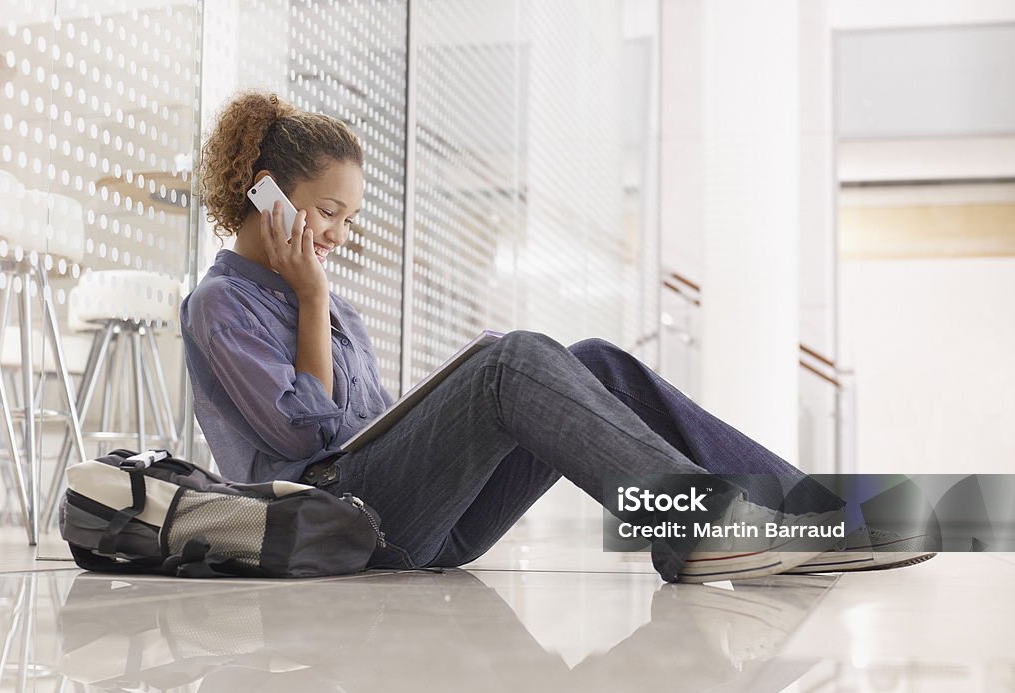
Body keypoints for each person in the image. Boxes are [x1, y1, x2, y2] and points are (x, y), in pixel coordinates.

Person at [181, 91, 933, 584]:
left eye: (348, 219)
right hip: (340, 524)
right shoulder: (221, 303)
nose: (339, 236)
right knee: (510, 362)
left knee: (596, 362)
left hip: (422, 525)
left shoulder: (326, 299)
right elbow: (307, 439)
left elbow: (370, 424)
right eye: (326, 212)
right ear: (265, 194)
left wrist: (437, 403)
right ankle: (698, 525)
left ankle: (807, 511)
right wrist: (312, 300)